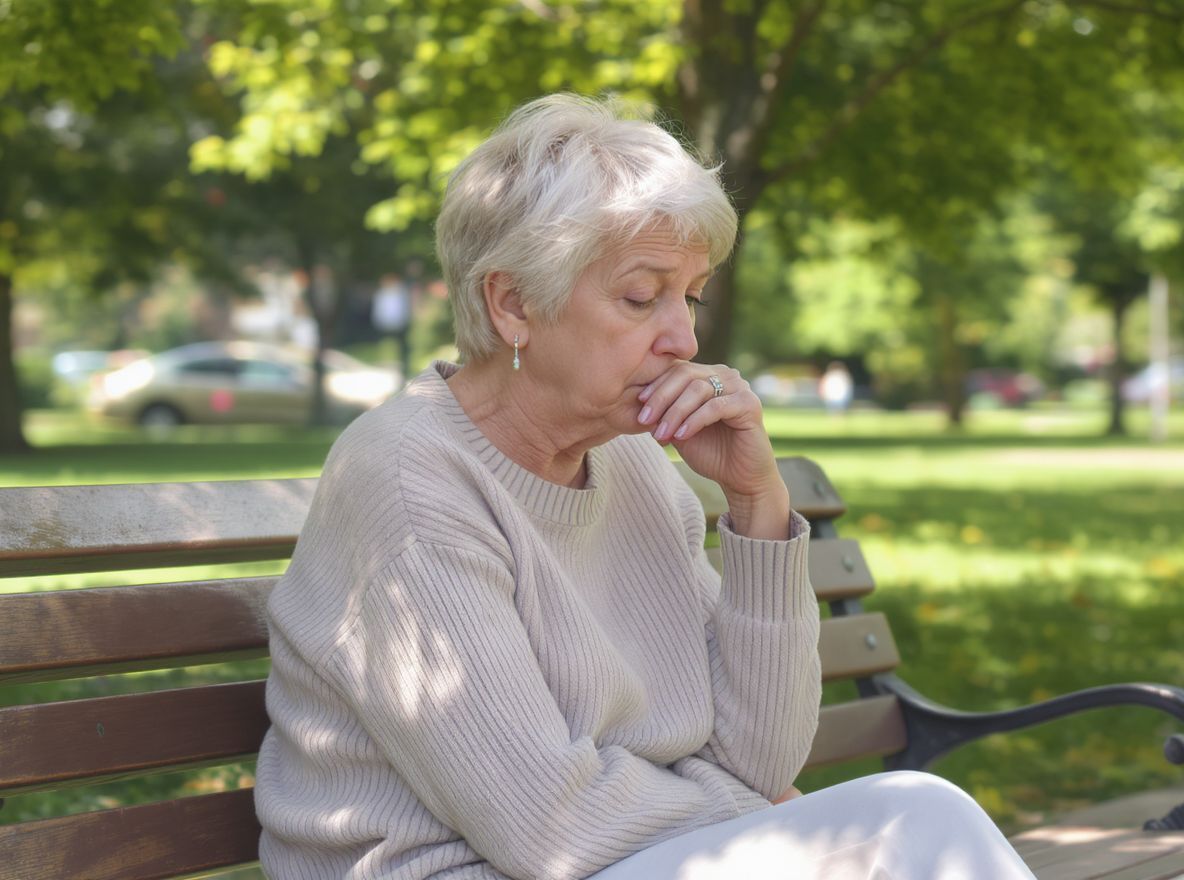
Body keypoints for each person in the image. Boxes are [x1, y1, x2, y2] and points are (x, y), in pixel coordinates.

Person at [254, 95, 1035, 880]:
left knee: (902, 827)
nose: (685, 339)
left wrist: (759, 509)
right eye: (640, 296)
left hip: (635, 859)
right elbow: (551, 827)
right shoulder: (410, 482)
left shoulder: (632, 465)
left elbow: (759, 758)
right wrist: (751, 811)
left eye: (689, 295)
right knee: (912, 820)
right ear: (514, 302)